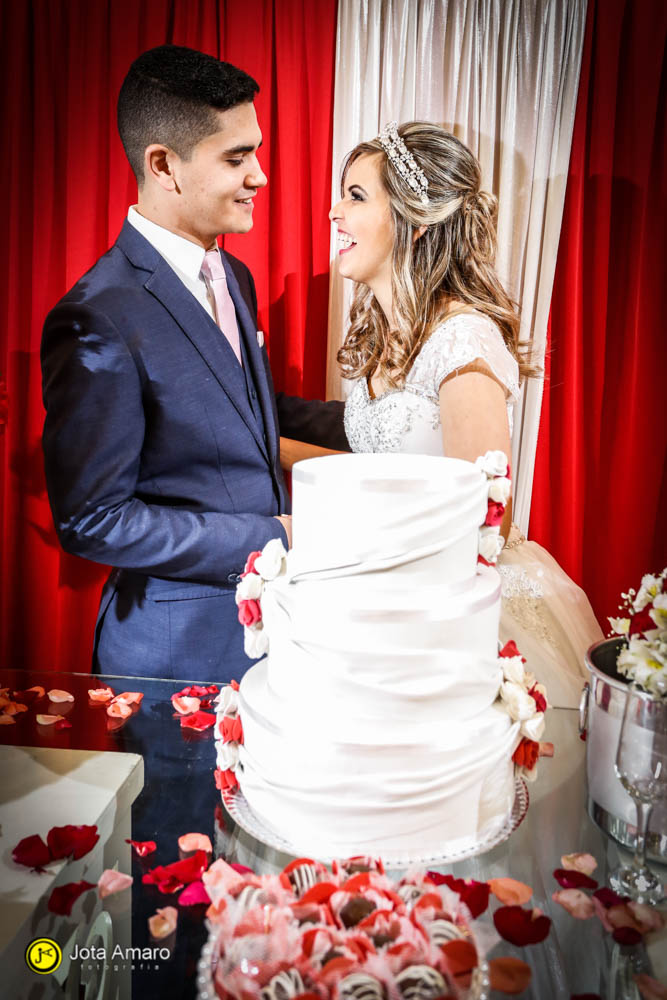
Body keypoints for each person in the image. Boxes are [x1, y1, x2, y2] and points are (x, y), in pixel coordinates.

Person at [41, 45, 347, 682]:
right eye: (236, 158)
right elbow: (93, 520)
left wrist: (382, 425)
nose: (260, 176)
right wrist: (275, 536)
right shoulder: (98, 315)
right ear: (164, 166)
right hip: (176, 657)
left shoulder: (234, 275)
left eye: (255, 153)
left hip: (274, 635)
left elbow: (245, 413)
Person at [326, 120, 602, 708]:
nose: (334, 212)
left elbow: (484, 523)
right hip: (387, 593)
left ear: (416, 220)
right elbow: (378, 465)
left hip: (452, 611)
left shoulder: (461, 339)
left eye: (355, 196)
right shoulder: (383, 334)